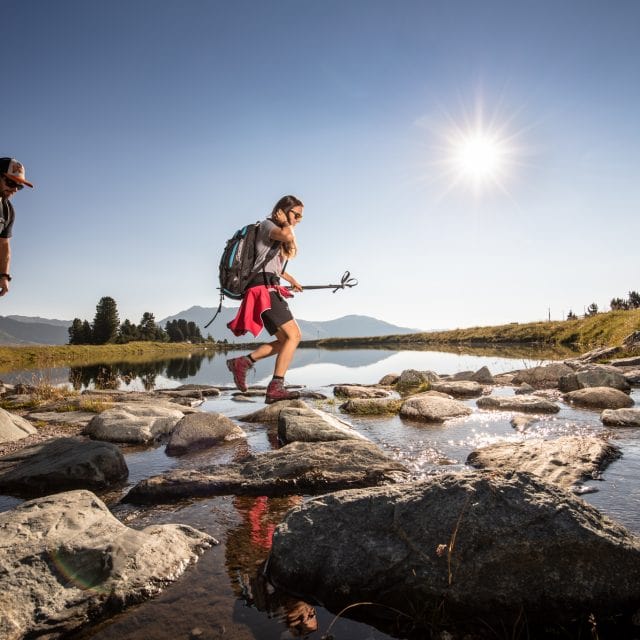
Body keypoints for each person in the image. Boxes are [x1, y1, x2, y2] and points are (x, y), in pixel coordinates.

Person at [226, 195, 304, 404]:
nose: (297, 219)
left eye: (300, 218)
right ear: (283, 210)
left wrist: (292, 280)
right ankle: (276, 387)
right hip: (263, 291)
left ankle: (242, 362)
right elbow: (287, 237)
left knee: (284, 341)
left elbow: (275, 268)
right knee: (295, 336)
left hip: (267, 288)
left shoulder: (274, 234)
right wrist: (287, 224)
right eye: (295, 215)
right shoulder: (268, 225)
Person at [0, 158, 34, 296]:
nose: (14, 189)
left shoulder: (8, 211)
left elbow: (4, 245)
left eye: (19, 186)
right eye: (10, 182)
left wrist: (4, 276)